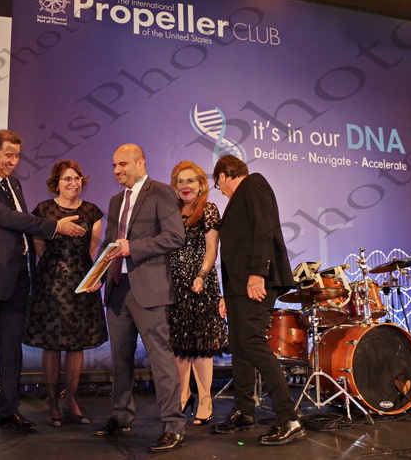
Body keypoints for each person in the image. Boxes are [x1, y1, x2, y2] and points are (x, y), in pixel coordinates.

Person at [0, 129, 86, 438]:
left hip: (16, 277)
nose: (13, 161)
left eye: (17, 156)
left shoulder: (13, 184)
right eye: (8, 155)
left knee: (12, 349)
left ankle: (9, 411)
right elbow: (7, 218)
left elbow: (18, 226)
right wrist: (54, 227)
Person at [90, 144, 187, 453]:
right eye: (114, 165)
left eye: (123, 164)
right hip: (117, 288)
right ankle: (121, 415)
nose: (117, 170)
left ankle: (173, 425)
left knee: (160, 358)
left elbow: (175, 236)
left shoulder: (161, 192)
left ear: (141, 162)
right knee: (120, 358)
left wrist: (133, 247)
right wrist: (97, 275)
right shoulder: (116, 200)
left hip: (149, 289)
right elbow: (110, 243)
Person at [210, 155, 304, 445]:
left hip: (255, 280)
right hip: (239, 286)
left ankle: (288, 417)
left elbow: (264, 229)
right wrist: (227, 293)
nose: (221, 191)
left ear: (224, 175)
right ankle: (244, 412)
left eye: (218, 186)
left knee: (251, 341)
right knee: (239, 346)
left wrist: (257, 273)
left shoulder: (253, 184)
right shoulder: (241, 196)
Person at [23, 160, 108, 427]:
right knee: (51, 344)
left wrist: (81, 274)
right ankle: (52, 402)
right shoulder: (44, 209)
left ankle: (71, 400)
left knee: (76, 344)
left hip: (80, 284)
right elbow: (38, 246)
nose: (73, 183)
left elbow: (91, 251)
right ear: (56, 183)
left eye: (77, 178)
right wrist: (55, 268)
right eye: (67, 179)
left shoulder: (92, 211)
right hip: (49, 284)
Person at [168, 161, 228, 426]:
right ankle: (183, 394)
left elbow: (212, 249)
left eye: (190, 181)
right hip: (174, 285)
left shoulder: (209, 209)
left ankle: (205, 398)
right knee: (179, 343)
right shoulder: (170, 211)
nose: (185, 186)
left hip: (201, 283)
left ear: (201, 184)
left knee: (201, 345)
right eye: (180, 181)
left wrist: (201, 275)